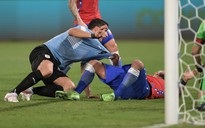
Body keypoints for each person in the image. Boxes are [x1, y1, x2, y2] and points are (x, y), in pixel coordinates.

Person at [4, 18, 112, 102]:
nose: (106, 33)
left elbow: (86, 68)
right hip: (44, 51)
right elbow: (72, 32)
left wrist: (88, 93)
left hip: (55, 64)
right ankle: (13, 93)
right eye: (103, 29)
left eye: (107, 31)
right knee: (47, 70)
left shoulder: (93, 48)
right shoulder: (84, 30)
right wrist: (92, 35)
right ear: (96, 29)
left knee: (69, 88)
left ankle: (30, 90)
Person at [55, 57, 197, 102]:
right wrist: (161, 74)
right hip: (126, 81)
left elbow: (177, 93)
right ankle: (76, 93)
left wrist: (184, 80)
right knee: (94, 63)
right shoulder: (157, 77)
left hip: (142, 90)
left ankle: (116, 95)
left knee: (138, 63)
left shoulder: (168, 86)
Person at [68, 0, 122, 98]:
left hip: (98, 22)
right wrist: (79, 20)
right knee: (87, 57)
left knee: (113, 47)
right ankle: (88, 93)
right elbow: (71, 3)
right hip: (83, 24)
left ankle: (121, 85)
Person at [191, 19, 205, 109]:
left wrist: (200, 68)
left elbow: (194, 52)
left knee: (201, 103)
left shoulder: (204, 23)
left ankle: (202, 101)